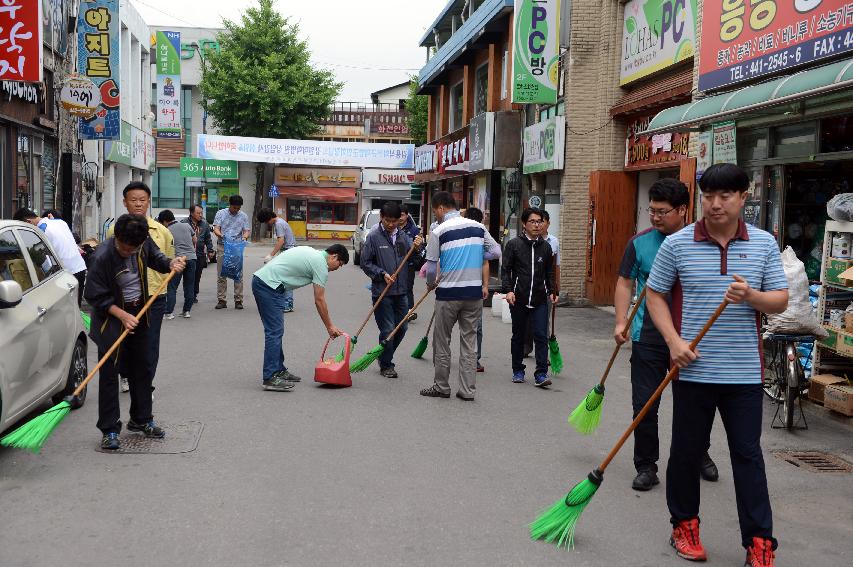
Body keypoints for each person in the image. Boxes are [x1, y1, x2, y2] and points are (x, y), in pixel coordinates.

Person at [645, 164, 788, 567]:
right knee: (686, 453)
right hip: (692, 371)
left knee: (748, 456)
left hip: (743, 373)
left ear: (745, 197)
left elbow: (779, 299)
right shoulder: (678, 244)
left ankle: (760, 542)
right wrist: (674, 342)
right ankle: (684, 526)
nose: (715, 204)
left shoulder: (762, 244)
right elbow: (654, 295)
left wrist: (751, 296)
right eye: (708, 195)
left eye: (725, 196)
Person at [615, 179, 720, 492]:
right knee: (644, 403)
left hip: (693, 335)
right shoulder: (639, 243)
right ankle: (646, 465)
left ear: (684, 210)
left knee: (696, 403)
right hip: (649, 334)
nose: (655, 217)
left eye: (662, 212)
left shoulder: (705, 242)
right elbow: (624, 282)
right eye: (652, 211)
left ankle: (698, 452)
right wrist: (620, 322)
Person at [84, 214, 186, 450]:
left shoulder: (142, 242)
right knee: (109, 373)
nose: (129, 252)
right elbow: (94, 296)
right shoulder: (102, 257)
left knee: (143, 367)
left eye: (134, 249)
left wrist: (170, 264)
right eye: (125, 248)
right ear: (116, 238)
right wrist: (121, 315)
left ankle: (141, 420)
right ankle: (109, 429)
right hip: (111, 320)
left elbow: (157, 258)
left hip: (140, 312)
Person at [420, 191, 500, 401]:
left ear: (440, 208)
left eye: (434, 211)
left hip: (448, 294)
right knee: (469, 343)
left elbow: (430, 268)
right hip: (473, 295)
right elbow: (497, 252)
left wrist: (430, 285)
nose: (435, 216)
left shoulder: (439, 230)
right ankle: (467, 391)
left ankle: (441, 386)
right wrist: (477, 254)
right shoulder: (478, 227)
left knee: (442, 341)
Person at [107, 181, 174, 394]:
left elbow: (165, 261)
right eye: (133, 200)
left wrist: (173, 264)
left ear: (148, 202)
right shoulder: (114, 230)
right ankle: (126, 375)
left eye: (142, 200)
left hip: (154, 296)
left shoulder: (162, 232)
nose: (138, 204)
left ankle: (145, 386)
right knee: (126, 342)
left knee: (150, 345)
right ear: (125, 203)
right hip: (125, 298)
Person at [251, 244, 348, 391]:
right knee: (274, 332)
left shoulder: (314, 254)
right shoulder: (320, 264)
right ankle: (270, 377)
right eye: (339, 264)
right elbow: (319, 300)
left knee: (276, 331)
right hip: (268, 286)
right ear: (333, 256)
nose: (336, 268)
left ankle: (279, 370)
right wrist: (330, 326)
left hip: (267, 283)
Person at [361, 202, 425, 378]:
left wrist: (418, 248)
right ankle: (387, 364)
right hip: (382, 291)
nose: (391, 224)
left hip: (401, 291)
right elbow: (365, 263)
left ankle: (383, 355)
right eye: (387, 220)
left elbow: (414, 261)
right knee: (388, 329)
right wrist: (381, 274)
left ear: (400, 220)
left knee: (402, 328)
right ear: (381, 217)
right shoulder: (373, 237)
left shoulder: (404, 237)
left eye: (394, 221)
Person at [501, 208, 557, 387]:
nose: (536, 224)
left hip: (540, 299)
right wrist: (508, 290)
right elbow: (505, 270)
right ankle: (518, 370)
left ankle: (541, 373)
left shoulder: (546, 247)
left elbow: (549, 273)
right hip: (519, 299)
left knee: (541, 335)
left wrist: (552, 291)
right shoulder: (514, 245)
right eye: (532, 221)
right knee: (518, 335)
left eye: (539, 221)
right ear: (524, 224)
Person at [12, 207, 87, 306]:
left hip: (66, 275)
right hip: (80, 268)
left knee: (64, 313)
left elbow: (37, 255)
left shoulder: (41, 231)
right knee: (75, 308)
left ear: (28, 221)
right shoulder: (60, 222)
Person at [524, 209, 560, 358]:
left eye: (541, 222)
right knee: (527, 321)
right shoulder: (525, 242)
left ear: (547, 223)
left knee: (543, 322)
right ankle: (526, 347)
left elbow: (555, 267)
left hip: (545, 288)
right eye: (535, 222)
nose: (539, 225)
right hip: (528, 287)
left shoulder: (553, 242)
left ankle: (543, 353)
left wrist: (555, 288)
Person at [213, 194, 250, 310]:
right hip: (223, 246)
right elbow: (216, 228)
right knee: (221, 274)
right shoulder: (221, 213)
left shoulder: (243, 216)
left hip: (236, 247)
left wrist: (244, 237)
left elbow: (246, 230)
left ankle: (238, 300)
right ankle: (221, 300)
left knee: (238, 274)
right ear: (230, 205)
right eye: (235, 208)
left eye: (238, 208)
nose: (236, 210)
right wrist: (221, 235)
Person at [158, 210, 197, 320]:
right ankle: (186, 311)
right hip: (192, 258)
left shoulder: (166, 230)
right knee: (189, 285)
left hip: (178, 260)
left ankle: (169, 312)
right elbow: (195, 240)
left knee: (172, 287)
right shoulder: (186, 225)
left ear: (165, 221)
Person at [257, 208, 297, 312]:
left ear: (269, 218)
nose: (267, 224)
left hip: (288, 251)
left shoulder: (278, 224)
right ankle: (287, 302)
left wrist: (271, 255)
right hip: (289, 250)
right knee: (284, 277)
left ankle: (288, 303)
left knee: (285, 279)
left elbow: (281, 241)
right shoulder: (280, 221)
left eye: (266, 221)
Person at [462, 207, 487, 372]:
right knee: (446, 328)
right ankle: (442, 356)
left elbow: (485, 262)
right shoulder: (455, 234)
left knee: (476, 327)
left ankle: (474, 359)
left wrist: (485, 285)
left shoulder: (483, 238)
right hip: (454, 288)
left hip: (475, 288)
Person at [182, 205, 214, 302]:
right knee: (187, 277)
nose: (200, 215)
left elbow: (208, 239)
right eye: (198, 213)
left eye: (201, 213)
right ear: (191, 213)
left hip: (199, 255)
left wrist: (210, 250)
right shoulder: (184, 223)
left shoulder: (204, 224)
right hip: (186, 255)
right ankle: (188, 295)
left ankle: (194, 295)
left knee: (197, 276)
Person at [398, 204, 421, 318]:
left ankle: (409, 311)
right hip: (394, 263)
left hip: (409, 264)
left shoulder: (414, 230)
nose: (400, 217)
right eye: (398, 215)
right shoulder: (393, 228)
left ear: (407, 215)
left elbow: (419, 248)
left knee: (407, 287)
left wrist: (417, 245)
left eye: (402, 215)